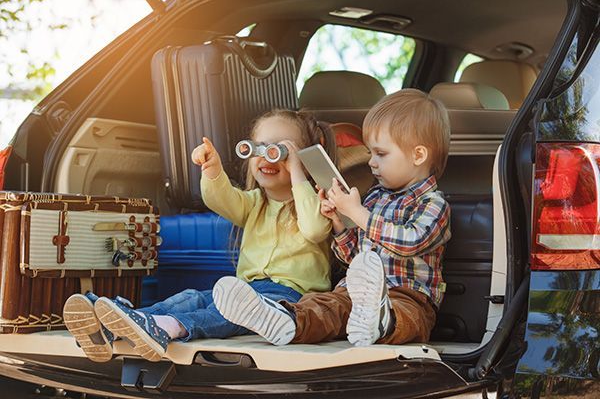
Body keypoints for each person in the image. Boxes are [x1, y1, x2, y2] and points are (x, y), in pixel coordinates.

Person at [62, 109, 333, 362]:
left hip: (289, 298)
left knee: (223, 314)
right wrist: (212, 169)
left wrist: (298, 169)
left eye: (279, 151)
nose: (265, 157)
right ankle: (120, 322)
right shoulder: (253, 203)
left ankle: (169, 327)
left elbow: (313, 228)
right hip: (243, 289)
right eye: (258, 148)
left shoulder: (316, 204)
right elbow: (221, 199)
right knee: (194, 297)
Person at [214, 89, 451, 347]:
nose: (371, 163)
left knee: (411, 319)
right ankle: (285, 320)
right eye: (370, 153)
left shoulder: (433, 204)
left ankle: (382, 321)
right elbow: (353, 257)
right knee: (324, 306)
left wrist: (358, 213)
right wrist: (339, 223)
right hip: (354, 293)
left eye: (380, 154)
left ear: (418, 155)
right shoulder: (373, 198)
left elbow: (410, 242)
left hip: (406, 294)